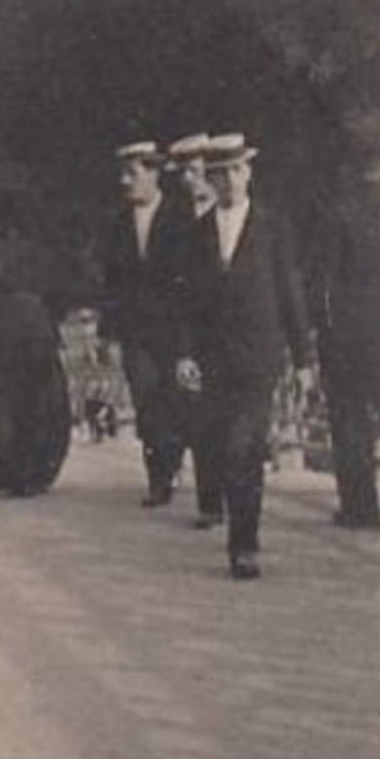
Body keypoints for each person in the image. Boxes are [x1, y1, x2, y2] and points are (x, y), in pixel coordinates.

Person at [173, 135, 315, 580]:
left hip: (260, 355)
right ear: (212, 179)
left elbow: (290, 293)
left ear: (249, 172)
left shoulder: (273, 226)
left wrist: (304, 359)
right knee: (222, 446)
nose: (230, 180)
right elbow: (188, 300)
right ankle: (240, 534)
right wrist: (184, 353)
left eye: (237, 170)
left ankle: (244, 546)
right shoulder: (198, 234)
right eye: (222, 172)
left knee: (242, 445)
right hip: (215, 359)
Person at [99, 140, 188, 507]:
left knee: (176, 401)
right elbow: (111, 283)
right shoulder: (118, 223)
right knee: (146, 402)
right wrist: (107, 334)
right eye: (123, 173)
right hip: (136, 332)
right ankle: (159, 479)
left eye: (132, 173)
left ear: (153, 174)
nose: (125, 181)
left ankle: (174, 458)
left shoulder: (180, 218)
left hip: (175, 331)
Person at [311, 151, 380, 529]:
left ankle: (360, 507)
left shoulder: (339, 212)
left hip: (348, 335)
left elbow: (323, 281)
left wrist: (325, 332)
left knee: (350, 421)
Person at [0, 227, 73, 497]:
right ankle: (36, 471)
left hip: (5, 326)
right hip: (39, 324)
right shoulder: (46, 249)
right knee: (42, 399)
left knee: (4, 399)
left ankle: (10, 468)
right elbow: (63, 291)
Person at [166, 133, 227, 528]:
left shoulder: (240, 212)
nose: (190, 178)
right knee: (201, 416)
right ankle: (210, 503)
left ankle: (232, 495)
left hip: (238, 331)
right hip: (198, 330)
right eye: (185, 171)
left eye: (195, 170)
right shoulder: (178, 219)